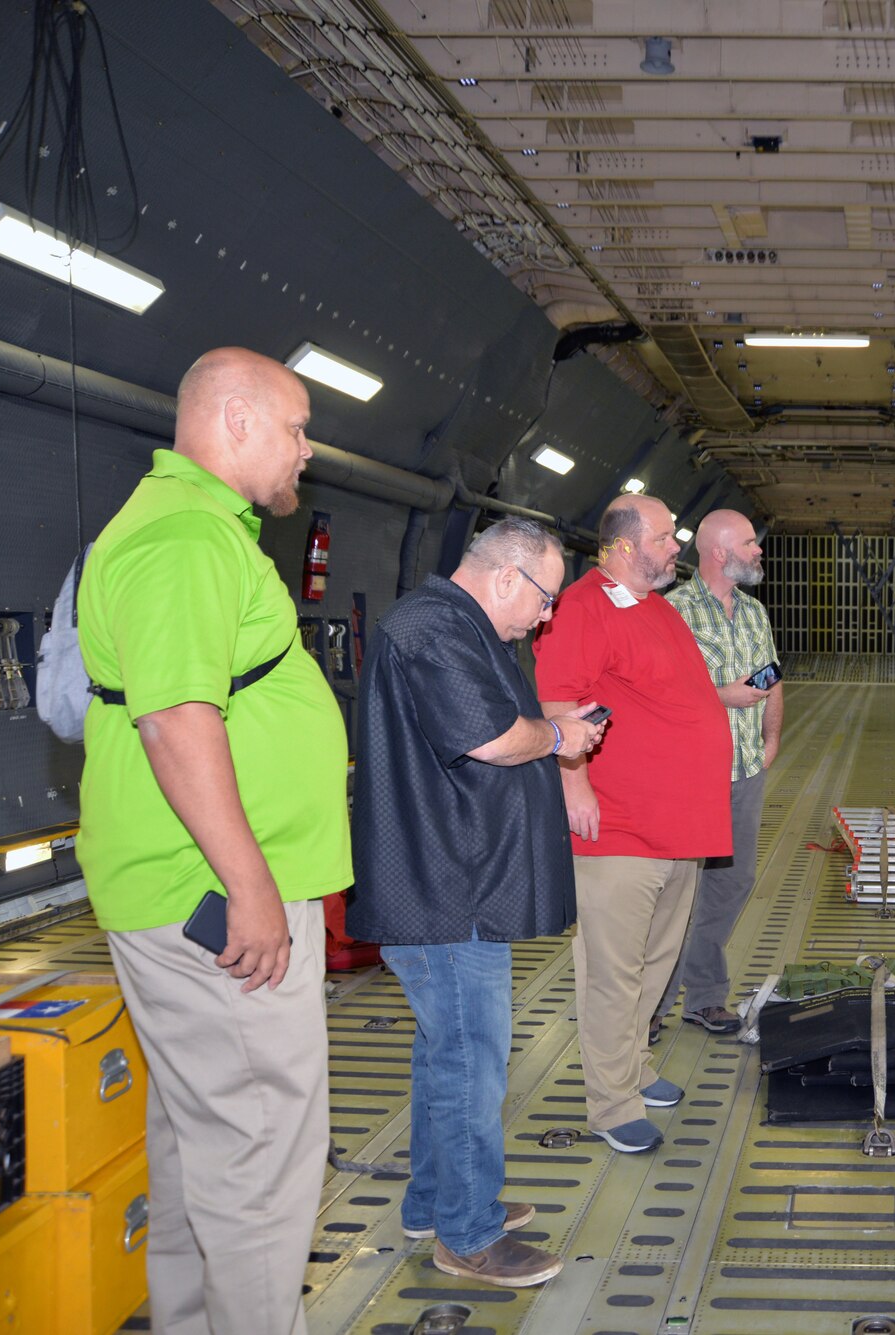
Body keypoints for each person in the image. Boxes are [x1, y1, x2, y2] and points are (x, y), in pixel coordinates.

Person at [77, 347, 347, 1334]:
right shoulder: (186, 538)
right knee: (263, 1155)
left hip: (196, 898)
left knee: (208, 1144)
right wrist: (253, 886)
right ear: (234, 421)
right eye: (296, 426)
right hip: (215, 906)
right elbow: (175, 722)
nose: (305, 451)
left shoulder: (198, 532)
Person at [345, 518, 605, 1287]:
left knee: (445, 1053)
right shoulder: (432, 628)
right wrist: (559, 735)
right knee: (471, 1060)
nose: (547, 615)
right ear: (506, 576)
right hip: (442, 889)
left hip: (456, 885)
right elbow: (491, 739)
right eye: (545, 597)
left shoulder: (457, 626)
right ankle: (468, 1233)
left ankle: (434, 1201)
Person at [533, 494, 733, 1153]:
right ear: (623, 545)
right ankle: (611, 1100)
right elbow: (560, 701)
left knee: (654, 956)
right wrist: (574, 782)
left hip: (680, 825)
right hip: (620, 824)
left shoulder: (654, 607)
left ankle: (635, 1068)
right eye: (666, 535)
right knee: (613, 968)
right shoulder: (583, 607)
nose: (676, 545)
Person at [655, 509, 784, 1035]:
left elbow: (773, 682)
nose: (758, 551)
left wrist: (771, 739)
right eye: (750, 543)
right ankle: (652, 1006)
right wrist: (720, 697)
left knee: (732, 883)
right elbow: (655, 698)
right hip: (690, 776)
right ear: (720, 553)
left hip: (745, 770)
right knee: (675, 892)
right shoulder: (671, 613)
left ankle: (704, 995)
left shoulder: (754, 613)